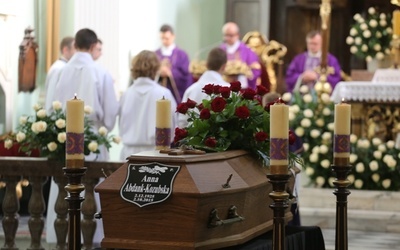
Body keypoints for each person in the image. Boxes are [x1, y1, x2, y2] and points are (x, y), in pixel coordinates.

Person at [47, 28, 119, 246]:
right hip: (93, 139)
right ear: (92, 45)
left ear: (76, 45)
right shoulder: (101, 72)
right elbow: (110, 113)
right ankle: (93, 236)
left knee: (63, 185)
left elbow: (50, 109)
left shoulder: (59, 70)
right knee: (92, 185)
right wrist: (103, 126)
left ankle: (60, 235)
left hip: (65, 139)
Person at [119, 50, 177, 160]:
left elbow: (121, 125)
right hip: (156, 152)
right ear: (156, 69)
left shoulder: (126, 94)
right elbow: (172, 125)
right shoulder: (163, 93)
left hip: (129, 154)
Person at [178, 47, 230, 128]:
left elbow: (182, 121)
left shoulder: (191, 90)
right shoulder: (228, 89)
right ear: (224, 66)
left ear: (206, 64)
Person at [155, 24, 191, 104]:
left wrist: (171, 73)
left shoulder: (182, 55)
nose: (164, 41)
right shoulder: (155, 54)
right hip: (157, 94)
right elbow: (150, 74)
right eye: (162, 38)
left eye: (166, 38)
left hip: (174, 96)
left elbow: (186, 76)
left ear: (173, 36)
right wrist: (158, 73)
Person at [220, 22, 261, 90]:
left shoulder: (247, 51)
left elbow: (255, 69)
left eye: (230, 35)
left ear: (237, 35)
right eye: (226, 35)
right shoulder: (220, 50)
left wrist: (244, 72)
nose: (227, 38)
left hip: (242, 87)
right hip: (224, 86)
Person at [44, 36, 75, 111]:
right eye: (76, 49)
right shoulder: (59, 68)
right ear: (65, 50)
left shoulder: (66, 67)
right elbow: (51, 95)